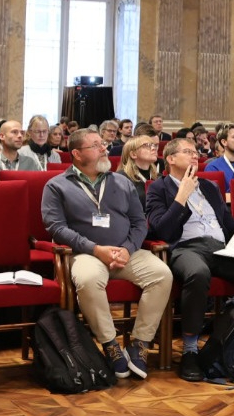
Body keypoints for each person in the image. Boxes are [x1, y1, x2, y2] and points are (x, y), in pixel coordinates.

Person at [41, 129, 173, 380]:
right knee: (89, 279)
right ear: (77, 154)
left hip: (125, 251)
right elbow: (56, 228)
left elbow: (139, 222)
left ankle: (140, 343)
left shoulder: (122, 182)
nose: (104, 149)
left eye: (103, 144)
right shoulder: (57, 185)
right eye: (95, 145)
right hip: (86, 253)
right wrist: (95, 249)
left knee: (162, 274)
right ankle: (110, 344)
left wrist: (128, 248)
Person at [147, 137, 234, 382]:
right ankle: (190, 351)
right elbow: (162, 230)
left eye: (195, 151)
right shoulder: (159, 188)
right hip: (186, 249)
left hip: (220, 248)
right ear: (171, 159)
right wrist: (181, 196)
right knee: (198, 273)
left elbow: (227, 223)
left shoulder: (208, 186)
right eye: (188, 151)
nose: (195, 155)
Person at [116, 135, 161, 212]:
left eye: (154, 145)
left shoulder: (159, 177)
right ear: (133, 154)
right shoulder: (121, 178)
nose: (154, 148)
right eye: (147, 145)